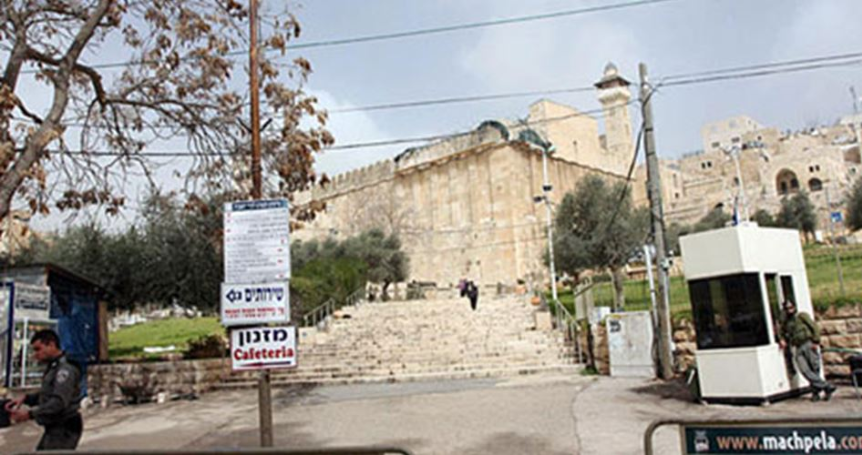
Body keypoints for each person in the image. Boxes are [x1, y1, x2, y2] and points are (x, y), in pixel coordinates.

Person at [5, 329, 83, 451]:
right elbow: (48, 394)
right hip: (55, 427)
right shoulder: (54, 367)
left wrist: (30, 414)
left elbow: (58, 402)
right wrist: (27, 399)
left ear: (51, 345)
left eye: (38, 349)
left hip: (64, 426)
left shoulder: (64, 370)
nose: (35, 354)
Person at [779, 300, 836, 401]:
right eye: (787, 308)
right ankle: (826, 386)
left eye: (791, 307)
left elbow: (814, 327)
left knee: (814, 368)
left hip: (808, 343)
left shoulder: (801, 316)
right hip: (797, 346)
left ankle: (816, 393)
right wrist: (782, 339)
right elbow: (782, 332)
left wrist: (816, 341)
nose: (789, 310)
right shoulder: (786, 322)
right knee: (804, 370)